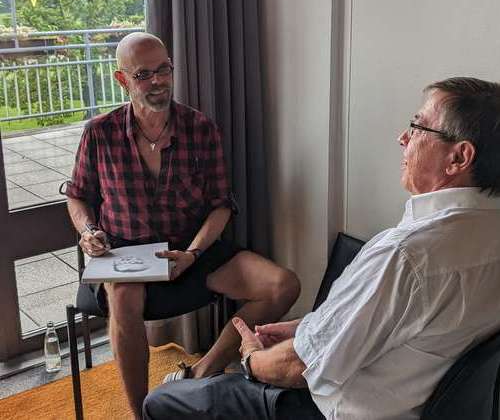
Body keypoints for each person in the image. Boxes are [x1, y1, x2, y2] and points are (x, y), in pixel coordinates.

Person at [143, 77, 500, 420]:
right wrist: (309, 327)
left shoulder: (406, 256)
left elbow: (297, 367)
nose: (403, 138)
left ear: (459, 158)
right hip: (416, 400)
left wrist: (251, 358)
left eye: (418, 127)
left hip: (330, 408)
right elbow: (396, 323)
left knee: (161, 402)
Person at [64, 32, 301, 419]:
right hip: (127, 253)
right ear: (122, 80)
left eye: (164, 70)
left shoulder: (200, 128)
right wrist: (88, 231)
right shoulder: (99, 133)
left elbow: (221, 205)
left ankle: (201, 370)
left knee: (283, 284)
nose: (158, 81)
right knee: (123, 298)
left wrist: (192, 253)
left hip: (193, 249)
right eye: (144, 74)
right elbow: (77, 195)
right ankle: (142, 413)